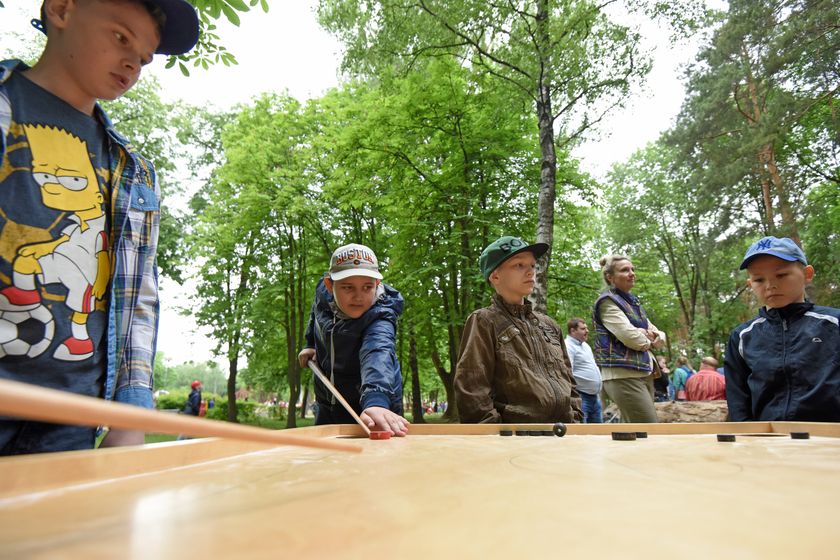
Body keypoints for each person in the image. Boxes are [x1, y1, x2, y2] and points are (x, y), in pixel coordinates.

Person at [0, 0, 199, 455]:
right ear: (61, 10)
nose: (133, 64)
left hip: (72, 417)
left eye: (144, 58)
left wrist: (132, 411)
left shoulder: (134, 172)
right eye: (121, 37)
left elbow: (138, 297)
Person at [454, 236, 582, 423]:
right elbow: (471, 389)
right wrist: (495, 432)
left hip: (564, 432)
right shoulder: (484, 321)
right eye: (519, 265)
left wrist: (576, 420)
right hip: (515, 435)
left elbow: (570, 383)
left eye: (532, 265)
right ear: (495, 276)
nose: (530, 272)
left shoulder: (549, 325)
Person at [298, 244, 409, 436]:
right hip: (327, 399)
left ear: (377, 283)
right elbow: (315, 315)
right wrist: (311, 344)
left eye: (367, 287)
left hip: (376, 405)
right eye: (348, 287)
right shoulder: (322, 294)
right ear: (329, 285)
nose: (358, 297)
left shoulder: (381, 316)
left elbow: (377, 353)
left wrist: (376, 401)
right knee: (325, 452)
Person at [725, 236, 840, 421]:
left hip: (829, 435)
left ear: (807, 274)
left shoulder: (833, 324)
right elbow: (738, 401)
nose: (770, 285)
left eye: (781, 275)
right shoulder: (742, 337)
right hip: (768, 437)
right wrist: (746, 435)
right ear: (750, 284)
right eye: (759, 279)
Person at [592, 255, 666, 423]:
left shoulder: (633, 303)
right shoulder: (607, 302)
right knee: (648, 427)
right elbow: (632, 338)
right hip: (623, 375)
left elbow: (660, 336)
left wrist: (649, 335)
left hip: (643, 371)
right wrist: (648, 338)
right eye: (625, 270)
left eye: (632, 269)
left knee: (632, 430)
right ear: (610, 277)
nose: (632, 273)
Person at [565, 318, 603, 423]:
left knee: (599, 431)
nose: (587, 331)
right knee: (582, 430)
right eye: (583, 329)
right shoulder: (568, 346)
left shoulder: (585, 346)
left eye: (586, 328)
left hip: (594, 398)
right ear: (573, 331)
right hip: (581, 397)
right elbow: (567, 371)